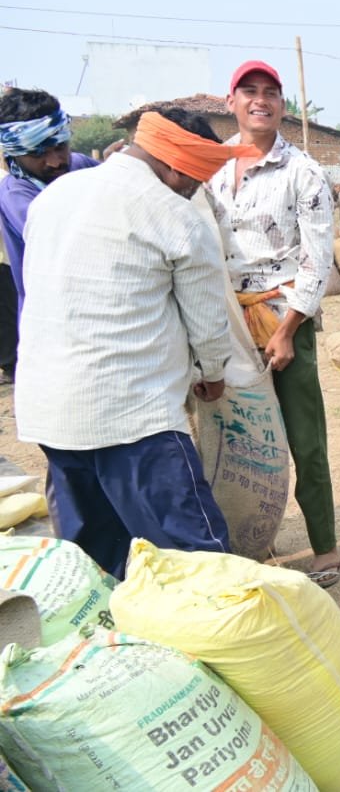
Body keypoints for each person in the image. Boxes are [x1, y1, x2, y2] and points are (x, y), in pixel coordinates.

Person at [15, 109, 257, 578]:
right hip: (132, 416)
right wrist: (211, 375)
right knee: (191, 557)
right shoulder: (177, 218)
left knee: (93, 556)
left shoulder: (54, 196)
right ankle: (211, 642)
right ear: (175, 165)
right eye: (195, 181)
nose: (194, 191)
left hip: (52, 411)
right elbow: (208, 327)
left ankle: (115, 639)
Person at [207, 60, 340, 587]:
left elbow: (317, 259)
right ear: (232, 101)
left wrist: (287, 330)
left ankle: (325, 546)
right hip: (226, 320)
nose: (260, 100)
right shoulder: (214, 171)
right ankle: (252, 536)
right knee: (237, 436)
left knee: (304, 438)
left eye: (271, 93)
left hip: (284, 315)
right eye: (250, 92)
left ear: (282, 106)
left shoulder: (302, 172)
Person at [0, 88, 101, 382]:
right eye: (38, 154)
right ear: (14, 154)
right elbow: (68, 238)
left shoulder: (81, 166)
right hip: (52, 330)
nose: (56, 161)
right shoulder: (15, 195)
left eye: (60, 147)